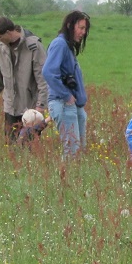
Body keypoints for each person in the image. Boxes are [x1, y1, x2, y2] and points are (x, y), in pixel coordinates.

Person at [0, 17, 48, 142]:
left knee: (28, 147)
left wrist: (40, 106)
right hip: (10, 107)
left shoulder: (33, 46)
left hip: (29, 108)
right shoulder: (1, 49)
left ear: (8, 32)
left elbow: (43, 79)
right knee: (11, 147)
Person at [42, 10, 90, 158]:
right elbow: (48, 72)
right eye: (81, 28)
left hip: (73, 104)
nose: (83, 32)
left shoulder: (68, 46)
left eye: (85, 29)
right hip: (62, 103)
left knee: (80, 150)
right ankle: (67, 179)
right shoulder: (60, 44)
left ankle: (77, 179)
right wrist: (66, 96)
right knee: (72, 151)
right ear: (69, 25)